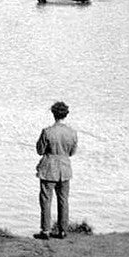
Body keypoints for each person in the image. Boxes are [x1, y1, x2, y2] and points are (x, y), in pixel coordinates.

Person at [35, 101, 78, 239]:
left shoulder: (47, 132)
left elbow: (40, 151)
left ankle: (46, 230)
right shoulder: (72, 132)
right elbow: (72, 152)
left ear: (53, 114)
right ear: (66, 114)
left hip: (48, 168)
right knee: (63, 200)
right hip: (65, 169)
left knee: (46, 200)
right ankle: (62, 230)